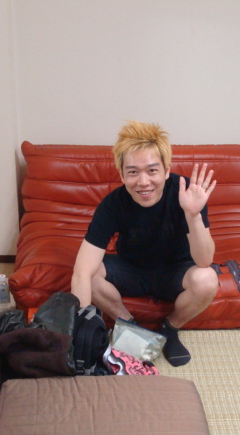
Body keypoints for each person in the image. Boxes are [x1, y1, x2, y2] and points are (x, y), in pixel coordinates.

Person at [71, 120, 219, 366]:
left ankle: (169, 329)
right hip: (131, 269)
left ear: (166, 170)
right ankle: (132, 328)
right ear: (121, 174)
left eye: (152, 171)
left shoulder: (186, 194)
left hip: (175, 271)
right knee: (91, 272)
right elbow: (81, 273)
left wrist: (193, 215)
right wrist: (82, 329)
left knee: (207, 279)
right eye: (132, 172)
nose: (143, 182)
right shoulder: (113, 204)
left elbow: (204, 260)